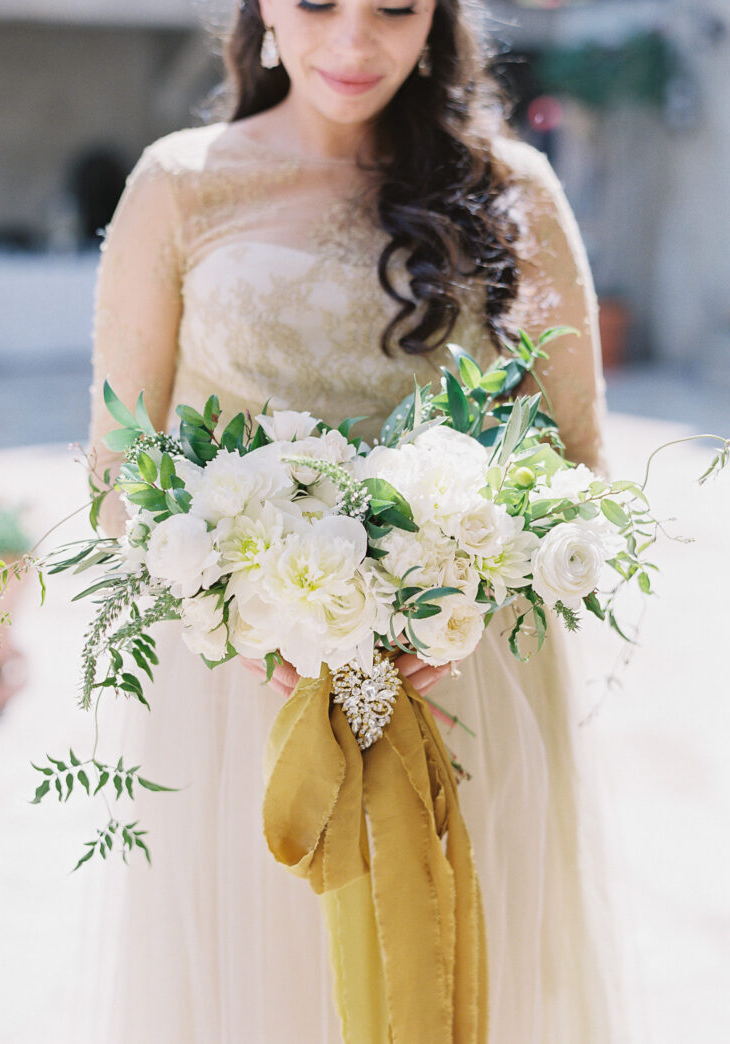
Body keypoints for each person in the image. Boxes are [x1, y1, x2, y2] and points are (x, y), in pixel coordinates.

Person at [83, 0, 628, 1040]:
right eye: (319, 2)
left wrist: (462, 590)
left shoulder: (513, 188)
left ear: (438, 17)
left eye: (394, 7)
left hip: (466, 679)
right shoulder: (181, 185)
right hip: (252, 689)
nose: (352, 42)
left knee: (464, 978)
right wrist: (242, 613)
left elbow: (580, 462)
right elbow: (120, 472)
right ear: (263, 9)